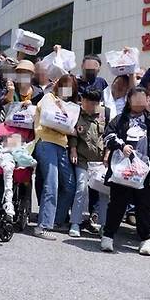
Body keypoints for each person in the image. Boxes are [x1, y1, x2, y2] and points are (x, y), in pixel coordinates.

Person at [101, 87, 150, 255]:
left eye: (143, 98)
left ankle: (145, 239)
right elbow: (108, 136)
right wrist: (121, 145)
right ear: (129, 100)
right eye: (135, 98)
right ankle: (108, 236)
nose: (139, 101)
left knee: (144, 206)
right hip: (123, 170)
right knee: (117, 204)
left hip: (145, 171)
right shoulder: (120, 119)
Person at [32, 77, 78, 240]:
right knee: (51, 183)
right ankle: (43, 226)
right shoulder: (48, 98)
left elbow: (70, 125)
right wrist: (68, 125)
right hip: (46, 142)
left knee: (70, 184)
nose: (67, 90)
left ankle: (55, 221)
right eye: (65, 86)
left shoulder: (71, 106)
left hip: (62, 145)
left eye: (71, 87)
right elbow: (48, 119)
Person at [68, 89, 108, 237]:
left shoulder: (106, 114)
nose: (90, 106)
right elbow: (73, 134)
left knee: (104, 192)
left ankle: (104, 225)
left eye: (94, 103)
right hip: (82, 159)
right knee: (81, 187)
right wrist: (73, 150)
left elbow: (109, 135)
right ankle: (75, 222)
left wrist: (107, 155)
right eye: (87, 102)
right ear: (82, 100)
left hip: (100, 161)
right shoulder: (77, 113)